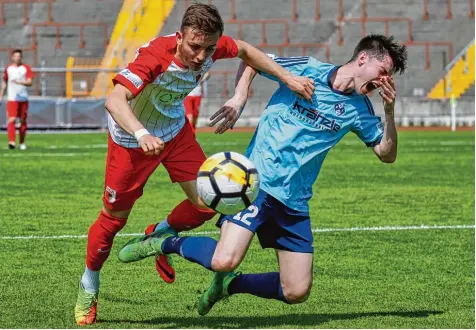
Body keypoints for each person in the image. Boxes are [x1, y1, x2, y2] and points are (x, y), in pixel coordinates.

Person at [118, 34, 407, 315]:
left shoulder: (360, 110)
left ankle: (230, 286)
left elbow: (386, 153)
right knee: (224, 259)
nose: (384, 81)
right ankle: (161, 242)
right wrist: (240, 96)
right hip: (256, 184)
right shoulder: (306, 68)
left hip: (294, 202)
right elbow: (253, 60)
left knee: (296, 291)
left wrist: (390, 112)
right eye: (383, 71)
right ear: (363, 59)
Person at [74, 3, 314, 326]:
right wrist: (142, 133)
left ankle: (158, 235)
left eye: (209, 48)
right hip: (131, 140)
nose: (201, 56)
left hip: (174, 132)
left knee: (209, 202)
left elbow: (245, 50)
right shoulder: (156, 56)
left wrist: (279, 82)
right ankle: (89, 284)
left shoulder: (213, 49)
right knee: (112, 221)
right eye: (194, 46)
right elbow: (114, 100)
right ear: (180, 37)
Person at [0, 49, 34, 150]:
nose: (17, 58)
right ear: (12, 57)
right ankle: (12, 141)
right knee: (12, 119)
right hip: (12, 98)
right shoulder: (8, 69)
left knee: (23, 121)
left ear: (21, 58)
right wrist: (1, 95)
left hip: (23, 98)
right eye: (15, 56)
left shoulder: (26, 68)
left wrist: (21, 82)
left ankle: (22, 142)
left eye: (19, 56)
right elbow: (5, 82)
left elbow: (30, 82)